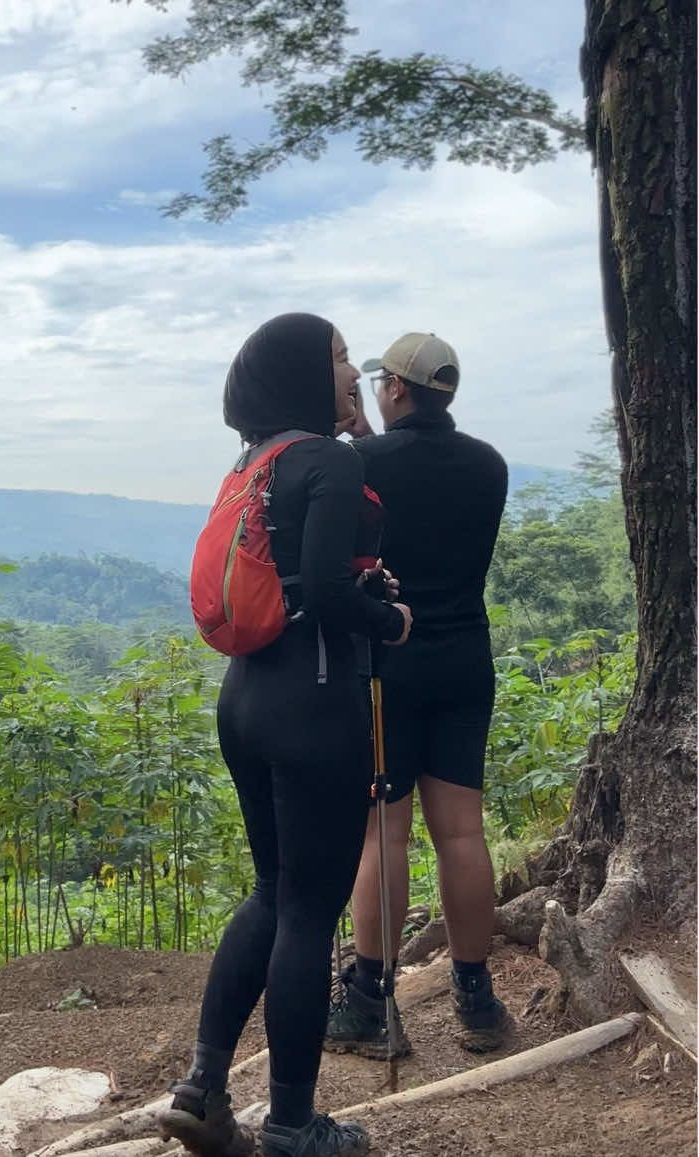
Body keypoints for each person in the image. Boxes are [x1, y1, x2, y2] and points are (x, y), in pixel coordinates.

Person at [159, 313, 412, 1157]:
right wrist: (393, 615)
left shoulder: (254, 462)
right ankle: (295, 1125)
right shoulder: (330, 460)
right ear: (307, 372)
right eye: (341, 356)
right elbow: (337, 600)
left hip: (245, 699)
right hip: (314, 699)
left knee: (272, 892)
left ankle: (201, 1086)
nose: (353, 370)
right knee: (308, 909)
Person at [325, 333, 509, 1057]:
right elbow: (417, 489)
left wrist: (359, 445)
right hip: (464, 660)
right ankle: (475, 996)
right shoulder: (488, 465)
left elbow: (374, 509)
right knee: (461, 831)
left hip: (387, 663)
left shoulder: (359, 464)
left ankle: (371, 998)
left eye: (378, 383)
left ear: (395, 389)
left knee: (384, 831)